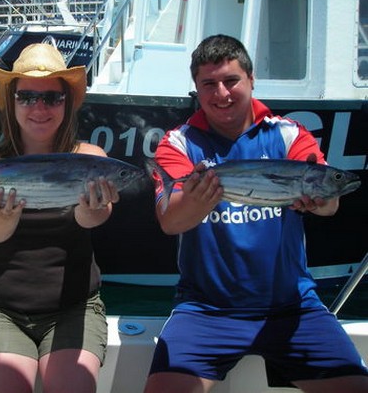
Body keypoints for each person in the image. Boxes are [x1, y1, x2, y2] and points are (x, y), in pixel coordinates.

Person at [144, 34, 368, 393]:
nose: (221, 93)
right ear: (196, 89)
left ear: (251, 79)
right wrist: (198, 199)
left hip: (293, 307)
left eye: (231, 80)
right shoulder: (179, 143)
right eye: (209, 84)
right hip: (206, 311)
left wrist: (319, 200)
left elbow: (331, 204)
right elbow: (171, 221)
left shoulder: (289, 135)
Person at [0, 43, 121, 393]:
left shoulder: (91, 158)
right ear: (12, 102)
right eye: (27, 97)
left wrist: (90, 210)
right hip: (2, 311)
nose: (39, 107)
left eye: (52, 98)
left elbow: (94, 218)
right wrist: (3, 217)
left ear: (66, 103)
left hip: (74, 308)